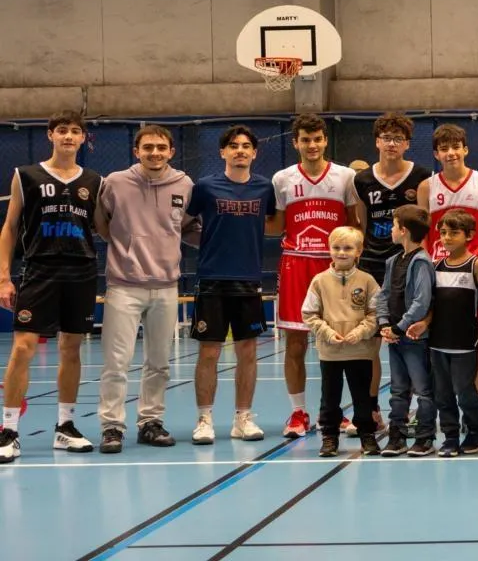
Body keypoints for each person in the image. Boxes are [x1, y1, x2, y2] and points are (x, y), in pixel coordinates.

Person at [0, 111, 101, 463]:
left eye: (75, 131)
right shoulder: (25, 175)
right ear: (50, 135)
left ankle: (65, 427)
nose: (68, 136)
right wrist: (4, 277)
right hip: (40, 269)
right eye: (62, 130)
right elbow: (10, 227)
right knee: (23, 348)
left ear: (83, 138)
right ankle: (9, 430)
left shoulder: (95, 180)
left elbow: (103, 226)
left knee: (71, 349)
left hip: (81, 270)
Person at [95, 126, 200, 453]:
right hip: (124, 286)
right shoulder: (115, 183)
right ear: (136, 151)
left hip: (166, 286)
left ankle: (150, 422)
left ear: (171, 151)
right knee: (117, 362)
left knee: (159, 362)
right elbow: (101, 223)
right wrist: (125, 248)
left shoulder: (184, 184)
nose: (155, 153)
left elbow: (186, 227)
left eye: (161, 147)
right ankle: (112, 426)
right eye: (148, 147)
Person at [271, 114, 359, 439]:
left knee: (338, 343)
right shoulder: (282, 178)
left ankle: (332, 411)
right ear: (296, 142)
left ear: (325, 140)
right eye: (306, 139)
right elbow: (276, 225)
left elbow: (354, 224)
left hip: (334, 268)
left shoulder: (345, 176)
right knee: (296, 343)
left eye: (317, 139)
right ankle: (298, 412)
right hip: (296, 265)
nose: (312, 145)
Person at [188, 125, 276, 445]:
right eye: (234, 146)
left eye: (246, 146)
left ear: (254, 152)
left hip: (249, 280)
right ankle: (204, 419)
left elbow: (273, 222)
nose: (240, 150)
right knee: (209, 351)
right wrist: (208, 244)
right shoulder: (205, 187)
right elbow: (185, 223)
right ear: (222, 152)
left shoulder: (264, 188)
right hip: (212, 279)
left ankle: (243, 418)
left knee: (248, 351)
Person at [353, 112, 431, 434]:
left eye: (398, 138)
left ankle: (410, 409)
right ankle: (371, 410)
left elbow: (425, 224)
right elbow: (361, 223)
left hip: (408, 265)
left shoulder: (422, 177)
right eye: (386, 138)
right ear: (377, 141)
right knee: (372, 343)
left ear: (407, 144)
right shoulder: (362, 180)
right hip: (373, 265)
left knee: (409, 341)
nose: (392, 143)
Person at [417, 124, 478, 414]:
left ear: (465, 149)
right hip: (439, 272)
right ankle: (440, 407)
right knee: (436, 337)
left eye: (455, 147)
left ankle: (472, 407)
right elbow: (423, 233)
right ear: (436, 154)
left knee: (475, 340)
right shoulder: (427, 187)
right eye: (444, 148)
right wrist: (426, 266)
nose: (450, 153)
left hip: (472, 272)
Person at [303, 226, 381, 457]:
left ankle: (367, 435)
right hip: (331, 352)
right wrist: (326, 332)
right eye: (336, 247)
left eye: (348, 248)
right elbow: (309, 313)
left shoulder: (367, 281)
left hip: (360, 350)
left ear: (359, 251)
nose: (341, 252)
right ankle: (329, 437)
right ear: (329, 250)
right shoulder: (319, 281)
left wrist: (361, 332)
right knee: (329, 398)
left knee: (362, 396)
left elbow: (375, 313)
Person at [375, 205, 437, 457]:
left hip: (414, 338)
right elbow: (383, 295)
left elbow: (421, 302)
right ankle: (397, 437)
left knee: (423, 390)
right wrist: (384, 324)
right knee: (398, 390)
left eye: (393, 225)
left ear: (403, 230)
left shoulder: (422, 262)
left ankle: (425, 437)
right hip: (395, 337)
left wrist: (399, 328)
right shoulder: (393, 261)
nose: (390, 230)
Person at [429, 210, 478, 457]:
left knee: (465, 392)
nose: (447, 238)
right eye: (443, 233)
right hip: (438, 342)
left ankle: (475, 430)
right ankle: (450, 436)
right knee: (442, 394)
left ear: (469, 235)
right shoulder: (435, 267)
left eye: (454, 233)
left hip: (464, 342)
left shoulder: (476, 265)